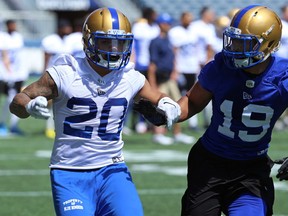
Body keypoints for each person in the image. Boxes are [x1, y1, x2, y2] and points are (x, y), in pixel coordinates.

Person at [9, 7, 180, 216]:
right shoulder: (65, 73)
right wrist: (27, 105)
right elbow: (19, 99)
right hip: (69, 171)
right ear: (88, 41)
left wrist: (168, 104)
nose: (114, 49)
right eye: (106, 41)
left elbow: (159, 97)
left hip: (113, 170)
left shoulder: (131, 77)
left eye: (120, 42)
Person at [175, 5, 285, 215]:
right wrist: (169, 112)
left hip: (250, 171)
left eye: (244, 43)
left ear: (268, 45)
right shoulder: (221, 66)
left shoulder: (283, 75)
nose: (234, 47)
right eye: (233, 40)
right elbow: (193, 101)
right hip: (210, 163)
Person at [148, 13, 195, 145]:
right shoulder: (155, 41)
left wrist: (175, 71)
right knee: (161, 106)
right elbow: (152, 65)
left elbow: (173, 57)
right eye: (167, 23)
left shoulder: (168, 40)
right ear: (161, 24)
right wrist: (153, 84)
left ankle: (177, 133)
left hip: (169, 78)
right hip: (160, 78)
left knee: (176, 105)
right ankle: (158, 134)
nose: (168, 26)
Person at [168, 11, 201, 131]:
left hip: (192, 67)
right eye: (187, 18)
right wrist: (175, 67)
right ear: (182, 19)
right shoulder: (175, 32)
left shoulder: (194, 31)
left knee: (193, 94)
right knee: (178, 94)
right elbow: (174, 51)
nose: (189, 20)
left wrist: (197, 64)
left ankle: (193, 122)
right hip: (181, 67)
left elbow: (196, 48)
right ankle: (175, 120)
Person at [41, 18, 72, 139]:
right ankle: (49, 127)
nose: (68, 30)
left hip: (66, 76)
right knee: (50, 102)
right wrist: (43, 73)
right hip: (53, 75)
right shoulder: (51, 41)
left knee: (63, 102)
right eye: (65, 27)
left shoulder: (70, 40)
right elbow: (46, 58)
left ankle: (60, 127)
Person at [0, 19, 26, 136]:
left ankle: (13, 125)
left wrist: (21, 72)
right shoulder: (3, 37)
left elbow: (20, 56)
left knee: (16, 98)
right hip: (6, 73)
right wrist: (9, 72)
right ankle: (3, 124)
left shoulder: (18, 37)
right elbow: (5, 56)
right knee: (10, 98)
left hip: (17, 74)